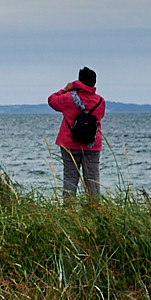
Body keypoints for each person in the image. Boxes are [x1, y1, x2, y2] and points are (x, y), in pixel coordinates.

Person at [47, 67, 104, 202]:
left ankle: (68, 210)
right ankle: (95, 209)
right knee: (92, 179)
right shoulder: (100, 101)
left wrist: (66, 89)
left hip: (69, 143)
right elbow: (99, 116)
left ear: (78, 81)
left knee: (70, 177)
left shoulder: (68, 98)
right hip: (92, 144)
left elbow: (51, 100)